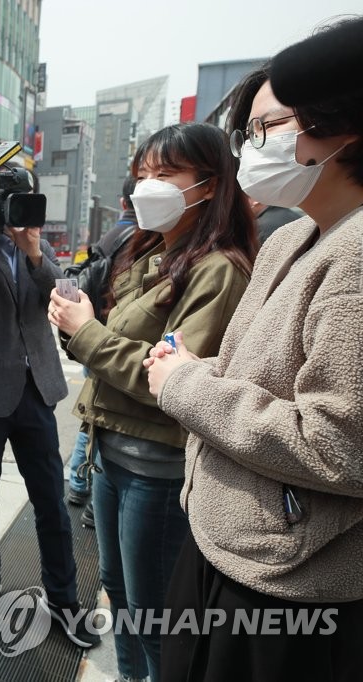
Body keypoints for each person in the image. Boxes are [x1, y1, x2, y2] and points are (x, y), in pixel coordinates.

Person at [146, 55, 363, 682]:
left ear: (344, 127)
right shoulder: (290, 239)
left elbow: (341, 444)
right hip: (230, 539)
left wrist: (183, 383)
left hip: (290, 578)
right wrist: (193, 368)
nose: (252, 147)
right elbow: (250, 370)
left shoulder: (353, 258)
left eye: (269, 127)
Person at [51, 122, 257, 682]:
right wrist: (76, 329)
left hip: (159, 471)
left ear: (210, 185)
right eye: (143, 175)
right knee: (119, 593)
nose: (148, 188)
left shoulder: (218, 269)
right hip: (111, 455)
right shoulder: (155, 255)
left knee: (154, 614)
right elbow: (124, 348)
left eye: (165, 176)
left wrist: (86, 331)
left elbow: (170, 380)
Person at [0, 171, 101, 649]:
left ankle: (64, 600)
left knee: (51, 500)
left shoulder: (37, 247)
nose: (11, 213)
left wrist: (33, 249)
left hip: (35, 389)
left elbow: (65, 298)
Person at [64, 175, 138, 518]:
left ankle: (78, 485)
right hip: (110, 337)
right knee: (99, 416)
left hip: (89, 330)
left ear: (123, 203)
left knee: (92, 415)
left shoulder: (107, 237)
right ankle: (84, 488)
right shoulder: (140, 241)